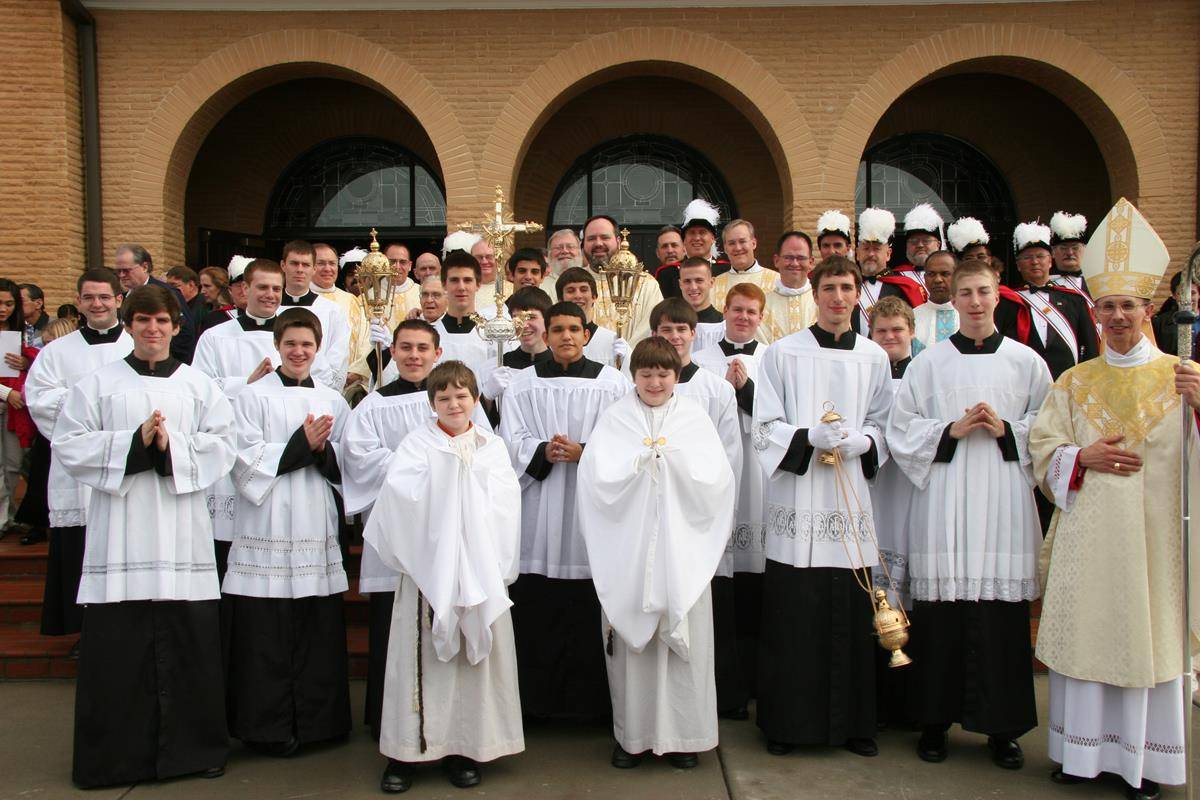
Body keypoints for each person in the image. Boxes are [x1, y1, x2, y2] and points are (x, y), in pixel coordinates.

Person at [1030, 199, 1191, 800]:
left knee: (1143, 638)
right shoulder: (1075, 380)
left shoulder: (1182, 377)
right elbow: (1044, 448)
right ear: (1093, 313)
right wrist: (1082, 458)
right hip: (1089, 531)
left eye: (1128, 305)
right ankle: (1080, 755)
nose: (1118, 315)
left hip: (1154, 540)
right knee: (1085, 634)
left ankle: (1144, 763)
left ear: (1149, 309)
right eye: (1107, 306)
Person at [54, 284, 236, 788]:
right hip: (122, 530)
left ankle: (194, 751)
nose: (152, 330)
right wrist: (134, 443)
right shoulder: (97, 384)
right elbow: (70, 443)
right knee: (120, 647)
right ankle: (114, 757)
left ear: (177, 327)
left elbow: (224, 445)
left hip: (182, 533)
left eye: (162, 321)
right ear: (129, 325)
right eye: (142, 321)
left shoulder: (199, 386)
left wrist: (171, 444)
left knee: (188, 642)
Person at [886, 259, 1051, 770]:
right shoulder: (928, 363)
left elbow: (1048, 431)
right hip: (945, 497)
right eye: (966, 294)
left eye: (984, 292)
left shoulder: (1027, 364)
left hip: (1002, 499)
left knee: (1000, 619)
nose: (976, 302)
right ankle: (934, 723)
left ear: (998, 295)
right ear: (951, 301)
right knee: (942, 617)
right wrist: (948, 432)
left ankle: (1002, 730)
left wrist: (1008, 430)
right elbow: (900, 430)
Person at [752, 255, 892, 758]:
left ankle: (855, 725)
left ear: (859, 294)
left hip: (849, 502)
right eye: (829, 287)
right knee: (795, 615)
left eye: (847, 288)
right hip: (798, 500)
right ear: (814, 292)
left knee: (851, 615)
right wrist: (806, 437)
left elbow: (885, 423)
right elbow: (763, 428)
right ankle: (787, 724)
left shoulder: (875, 357)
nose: (838, 297)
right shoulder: (782, 354)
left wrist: (865, 441)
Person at [364, 360, 524, 793]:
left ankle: (463, 749)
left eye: (461, 395)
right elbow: (400, 498)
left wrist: (468, 486)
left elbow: (507, 502)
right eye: (444, 397)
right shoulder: (417, 444)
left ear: (475, 399)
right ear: (431, 403)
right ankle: (406, 753)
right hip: (427, 573)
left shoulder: (491, 446)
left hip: (477, 570)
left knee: (468, 663)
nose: (454, 404)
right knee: (421, 661)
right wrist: (448, 477)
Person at [579, 336, 735, 769]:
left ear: (676, 376)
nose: (654, 381)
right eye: (645, 373)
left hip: (681, 552)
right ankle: (633, 738)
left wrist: (673, 466)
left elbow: (717, 481)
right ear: (634, 376)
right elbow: (595, 479)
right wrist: (637, 469)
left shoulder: (693, 417)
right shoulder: (615, 419)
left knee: (682, 646)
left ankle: (685, 739)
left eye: (663, 373)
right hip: (628, 551)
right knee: (635, 647)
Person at [341, 320, 489, 742]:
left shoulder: (456, 400)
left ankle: (450, 729)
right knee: (398, 633)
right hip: (401, 542)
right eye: (404, 347)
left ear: (437, 352)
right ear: (391, 352)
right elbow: (360, 461)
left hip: (452, 540)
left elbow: (482, 458)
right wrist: (419, 470)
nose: (413, 355)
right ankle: (394, 724)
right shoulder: (372, 405)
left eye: (422, 347)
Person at [223, 307, 353, 758]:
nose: (299, 352)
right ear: (276, 345)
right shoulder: (250, 397)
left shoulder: (334, 401)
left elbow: (348, 466)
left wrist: (324, 453)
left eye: (308, 345)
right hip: (268, 520)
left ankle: (320, 724)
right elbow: (243, 459)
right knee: (266, 631)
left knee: (315, 625)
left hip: (315, 520)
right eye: (291, 343)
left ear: (318, 349)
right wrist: (303, 444)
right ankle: (268, 726)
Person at [498, 300, 628, 720]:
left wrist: (584, 452)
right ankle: (537, 708)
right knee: (539, 610)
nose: (566, 337)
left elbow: (625, 442)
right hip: (539, 507)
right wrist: (543, 452)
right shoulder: (523, 385)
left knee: (586, 610)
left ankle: (591, 709)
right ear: (546, 334)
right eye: (558, 330)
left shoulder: (613, 384)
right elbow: (509, 440)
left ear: (587, 334)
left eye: (574, 329)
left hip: (592, 512)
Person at [26, 268, 133, 637]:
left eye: (105, 297)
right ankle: (84, 631)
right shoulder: (57, 352)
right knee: (81, 550)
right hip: (78, 469)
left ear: (119, 300)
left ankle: (122, 629)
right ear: (79, 302)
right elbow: (39, 401)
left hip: (129, 465)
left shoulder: (137, 345)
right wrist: (94, 412)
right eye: (89, 297)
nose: (97, 304)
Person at [694, 284, 772, 719]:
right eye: (737, 309)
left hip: (757, 478)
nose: (743, 317)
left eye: (751, 311)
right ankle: (722, 683)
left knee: (754, 581)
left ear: (762, 316)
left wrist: (745, 392)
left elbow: (780, 415)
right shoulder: (703, 361)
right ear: (724, 310)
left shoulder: (772, 359)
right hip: (717, 472)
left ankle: (756, 681)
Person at [865, 296, 918, 727]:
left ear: (911, 333)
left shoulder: (923, 374)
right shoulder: (866, 373)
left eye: (897, 331)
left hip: (913, 491)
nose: (889, 339)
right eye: (881, 332)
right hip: (876, 489)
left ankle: (912, 702)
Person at [996, 222, 1099, 384]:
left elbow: (1090, 347)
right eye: (1027, 258)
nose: (1034, 262)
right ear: (1018, 265)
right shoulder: (1008, 301)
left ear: (1050, 261)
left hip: (1068, 382)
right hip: (1023, 381)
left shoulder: (1074, 300)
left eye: (1040, 256)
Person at [277, 239, 352, 388]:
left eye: (305, 265)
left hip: (318, 390)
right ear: (283, 265)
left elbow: (337, 357)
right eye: (294, 263)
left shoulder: (333, 311)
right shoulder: (271, 310)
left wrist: (315, 388)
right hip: (276, 390)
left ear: (313, 269)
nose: (299, 270)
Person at [582, 214, 664, 345]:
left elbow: (651, 326)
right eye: (591, 238)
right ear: (583, 244)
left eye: (605, 237)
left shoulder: (645, 283)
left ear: (618, 241)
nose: (598, 243)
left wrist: (624, 357)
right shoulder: (575, 284)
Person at [113, 244, 196, 363]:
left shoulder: (168, 293)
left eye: (126, 270)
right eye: (118, 271)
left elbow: (185, 334)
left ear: (145, 267)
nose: (121, 275)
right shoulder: (124, 298)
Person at [852, 207, 926, 335]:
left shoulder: (905, 288)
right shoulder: (848, 286)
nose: (870, 254)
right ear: (857, 254)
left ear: (888, 254)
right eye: (866, 248)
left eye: (876, 249)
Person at [0, 278, 36, 530]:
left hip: (15, 408)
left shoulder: (24, 331)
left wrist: (26, 362)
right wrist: (5, 393)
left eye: (9, 303)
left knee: (14, 463)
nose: (3, 308)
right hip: (7, 398)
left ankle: (13, 515)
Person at [556, 266, 628, 369]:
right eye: (571, 291)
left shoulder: (613, 342)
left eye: (583, 290)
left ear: (594, 297)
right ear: (560, 299)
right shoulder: (552, 342)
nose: (578, 295)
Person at [761, 230, 817, 343]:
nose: (795, 263)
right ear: (776, 261)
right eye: (788, 257)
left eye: (801, 258)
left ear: (811, 262)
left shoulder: (822, 301)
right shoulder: (762, 305)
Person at [712, 219, 772, 310]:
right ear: (725, 248)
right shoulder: (714, 286)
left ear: (753, 243)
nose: (738, 248)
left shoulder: (775, 281)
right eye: (732, 243)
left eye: (742, 241)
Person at [912, 251, 959, 350]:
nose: (938, 280)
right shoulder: (912, 317)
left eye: (945, 274)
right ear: (924, 278)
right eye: (931, 274)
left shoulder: (970, 316)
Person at [678, 258, 726, 353]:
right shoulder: (671, 325)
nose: (693, 287)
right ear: (680, 284)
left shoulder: (724, 326)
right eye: (687, 281)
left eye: (699, 280)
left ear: (711, 282)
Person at [1153, 270, 1199, 357]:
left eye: (1192, 293)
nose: (1188, 299)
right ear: (1174, 295)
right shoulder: (1160, 323)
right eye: (1182, 293)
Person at [680, 198, 730, 276]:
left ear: (713, 239)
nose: (697, 238)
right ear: (684, 240)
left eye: (702, 232)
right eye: (692, 233)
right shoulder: (669, 273)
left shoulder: (727, 271)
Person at [1047, 210, 1090, 298]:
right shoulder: (1044, 287)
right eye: (1063, 248)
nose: (1070, 253)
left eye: (1075, 248)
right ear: (1053, 252)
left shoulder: (1095, 284)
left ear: (1085, 250)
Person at [652, 225, 686, 299]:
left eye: (674, 245)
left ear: (684, 249)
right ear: (657, 253)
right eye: (664, 246)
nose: (670, 251)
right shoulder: (650, 281)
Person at [19, 283, 50, 348]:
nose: (16, 306)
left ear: (38, 304)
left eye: (20, 301)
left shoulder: (57, 327)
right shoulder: (13, 327)